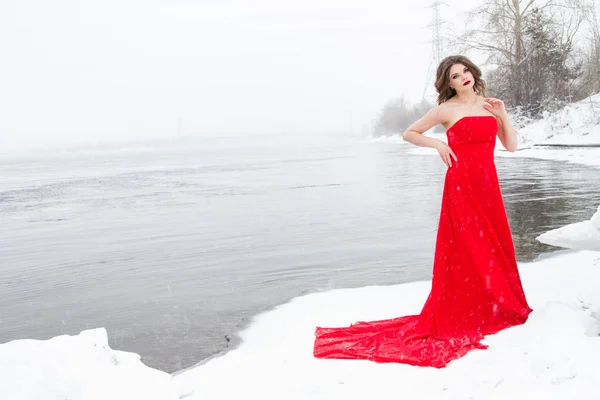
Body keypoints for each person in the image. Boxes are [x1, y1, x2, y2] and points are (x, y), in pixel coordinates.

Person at [313, 55, 533, 368]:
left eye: (465, 71)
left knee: (495, 247)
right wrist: (439, 146)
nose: (463, 77)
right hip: (461, 186)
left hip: (488, 186)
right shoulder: (446, 110)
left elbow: (510, 146)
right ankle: (472, 310)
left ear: (473, 73)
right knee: (468, 250)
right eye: (455, 76)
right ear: (449, 84)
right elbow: (410, 133)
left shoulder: (488, 105)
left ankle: (497, 305)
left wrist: (503, 115)